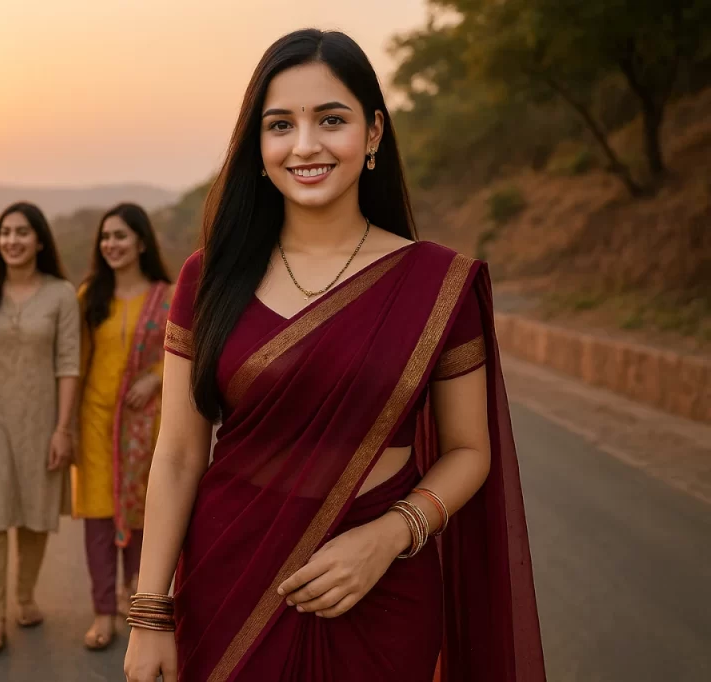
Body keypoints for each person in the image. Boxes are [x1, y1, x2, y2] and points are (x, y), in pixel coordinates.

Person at [123, 29, 546, 682]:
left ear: (373, 133)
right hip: (229, 581)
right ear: (257, 147)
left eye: (331, 120)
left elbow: (470, 451)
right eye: (280, 125)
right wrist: (151, 615)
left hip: (381, 590)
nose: (306, 145)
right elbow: (179, 453)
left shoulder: (437, 285)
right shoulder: (207, 281)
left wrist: (389, 537)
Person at [0, 202, 80, 653]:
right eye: (5, 232)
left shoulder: (60, 294)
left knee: (35, 512)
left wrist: (63, 429)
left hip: (41, 420)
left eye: (22, 232)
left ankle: (26, 597)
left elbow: (69, 363)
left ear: (39, 241)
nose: (12, 240)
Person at [74, 203, 173, 651]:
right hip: (95, 422)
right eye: (105, 237)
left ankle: (137, 605)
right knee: (97, 516)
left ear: (142, 242)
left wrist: (156, 377)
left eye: (120, 236)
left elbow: (190, 355)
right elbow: (72, 364)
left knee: (139, 515)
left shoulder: (168, 297)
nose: (111, 244)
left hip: (146, 426)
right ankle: (102, 612)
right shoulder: (89, 298)